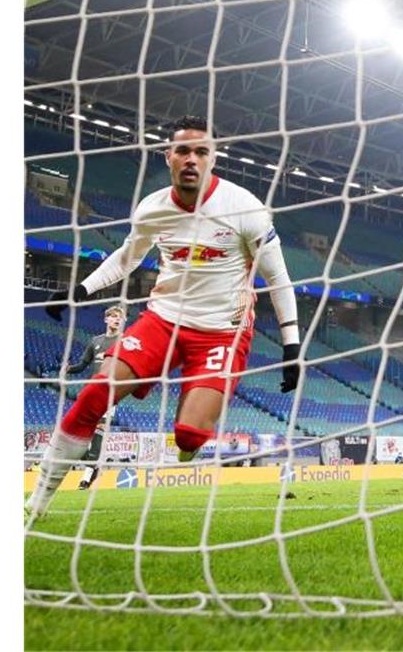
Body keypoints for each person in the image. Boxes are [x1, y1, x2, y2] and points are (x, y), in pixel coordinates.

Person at [26, 116, 301, 518]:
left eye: (201, 152)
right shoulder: (152, 209)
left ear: (213, 159)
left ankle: (189, 438)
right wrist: (80, 289)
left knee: (189, 436)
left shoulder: (244, 208)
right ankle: (37, 503)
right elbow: (127, 258)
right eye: (183, 151)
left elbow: (278, 279)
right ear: (168, 156)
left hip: (222, 332)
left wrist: (291, 345)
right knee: (91, 396)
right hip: (163, 320)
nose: (192, 159)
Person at [66, 305, 127, 490]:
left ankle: (86, 479)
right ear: (106, 319)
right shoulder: (96, 341)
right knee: (80, 437)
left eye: (120, 317)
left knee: (98, 435)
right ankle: (93, 466)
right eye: (113, 316)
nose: (116, 319)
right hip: (90, 392)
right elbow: (83, 364)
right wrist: (68, 368)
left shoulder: (124, 341)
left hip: (110, 394)